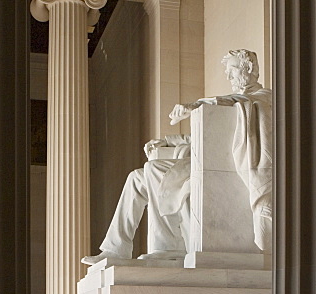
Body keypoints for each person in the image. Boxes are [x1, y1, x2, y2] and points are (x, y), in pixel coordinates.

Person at [82, 49, 273, 266]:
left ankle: (168, 247)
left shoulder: (262, 99)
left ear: (248, 68)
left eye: (232, 69)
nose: (228, 76)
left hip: (223, 167)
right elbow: (203, 138)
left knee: (153, 169)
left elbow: (237, 101)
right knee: (136, 177)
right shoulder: (237, 103)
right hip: (206, 160)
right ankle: (114, 249)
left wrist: (197, 105)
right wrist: (168, 141)